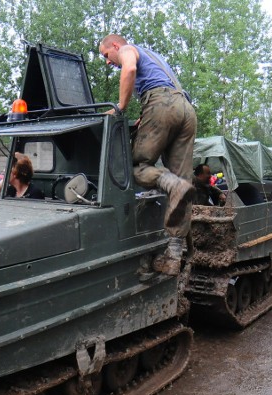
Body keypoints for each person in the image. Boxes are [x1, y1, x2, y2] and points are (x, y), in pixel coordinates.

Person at [99, 34, 197, 275]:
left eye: (106, 55)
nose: (108, 62)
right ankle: (174, 255)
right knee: (183, 182)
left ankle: (171, 184)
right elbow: (164, 88)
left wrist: (120, 108)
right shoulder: (157, 58)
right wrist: (148, 113)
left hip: (162, 104)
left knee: (135, 167)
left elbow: (129, 68)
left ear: (114, 46)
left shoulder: (127, 49)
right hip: (185, 109)